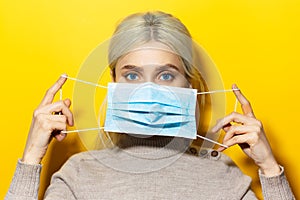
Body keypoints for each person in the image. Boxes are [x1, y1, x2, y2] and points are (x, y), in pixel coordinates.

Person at [6, 11, 295, 200]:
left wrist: (269, 169)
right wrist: (31, 158)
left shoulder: (224, 177)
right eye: (132, 75)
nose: (148, 91)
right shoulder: (79, 175)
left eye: (166, 75)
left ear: (190, 84)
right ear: (113, 82)